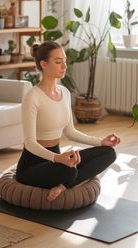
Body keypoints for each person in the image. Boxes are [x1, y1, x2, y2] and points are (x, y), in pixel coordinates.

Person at [16, 41, 120, 202]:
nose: (64, 66)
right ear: (44, 64)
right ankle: (69, 181)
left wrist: (101, 142)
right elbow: (29, 143)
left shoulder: (64, 92)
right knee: (69, 172)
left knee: (108, 153)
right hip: (33, 165)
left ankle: (63, 187)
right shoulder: (32, 97)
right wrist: (57, 158)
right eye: (58, 62)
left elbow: (70, 132)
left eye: (64, 61)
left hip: (57, 161)